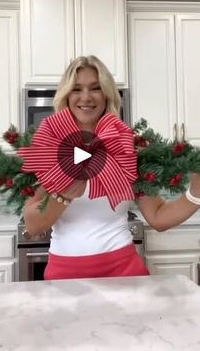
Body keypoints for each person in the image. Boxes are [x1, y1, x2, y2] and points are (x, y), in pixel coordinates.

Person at [23, 55, 200, 280]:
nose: (86, 97)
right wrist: (64, 195)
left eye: (95, 88)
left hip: (124, 272)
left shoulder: (127, 147)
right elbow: (33, 225)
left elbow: (158, 217)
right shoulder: (49, 147)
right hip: (63, 276)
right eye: (77, 89)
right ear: (66, 96)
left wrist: (196, 193)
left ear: (106, 95)